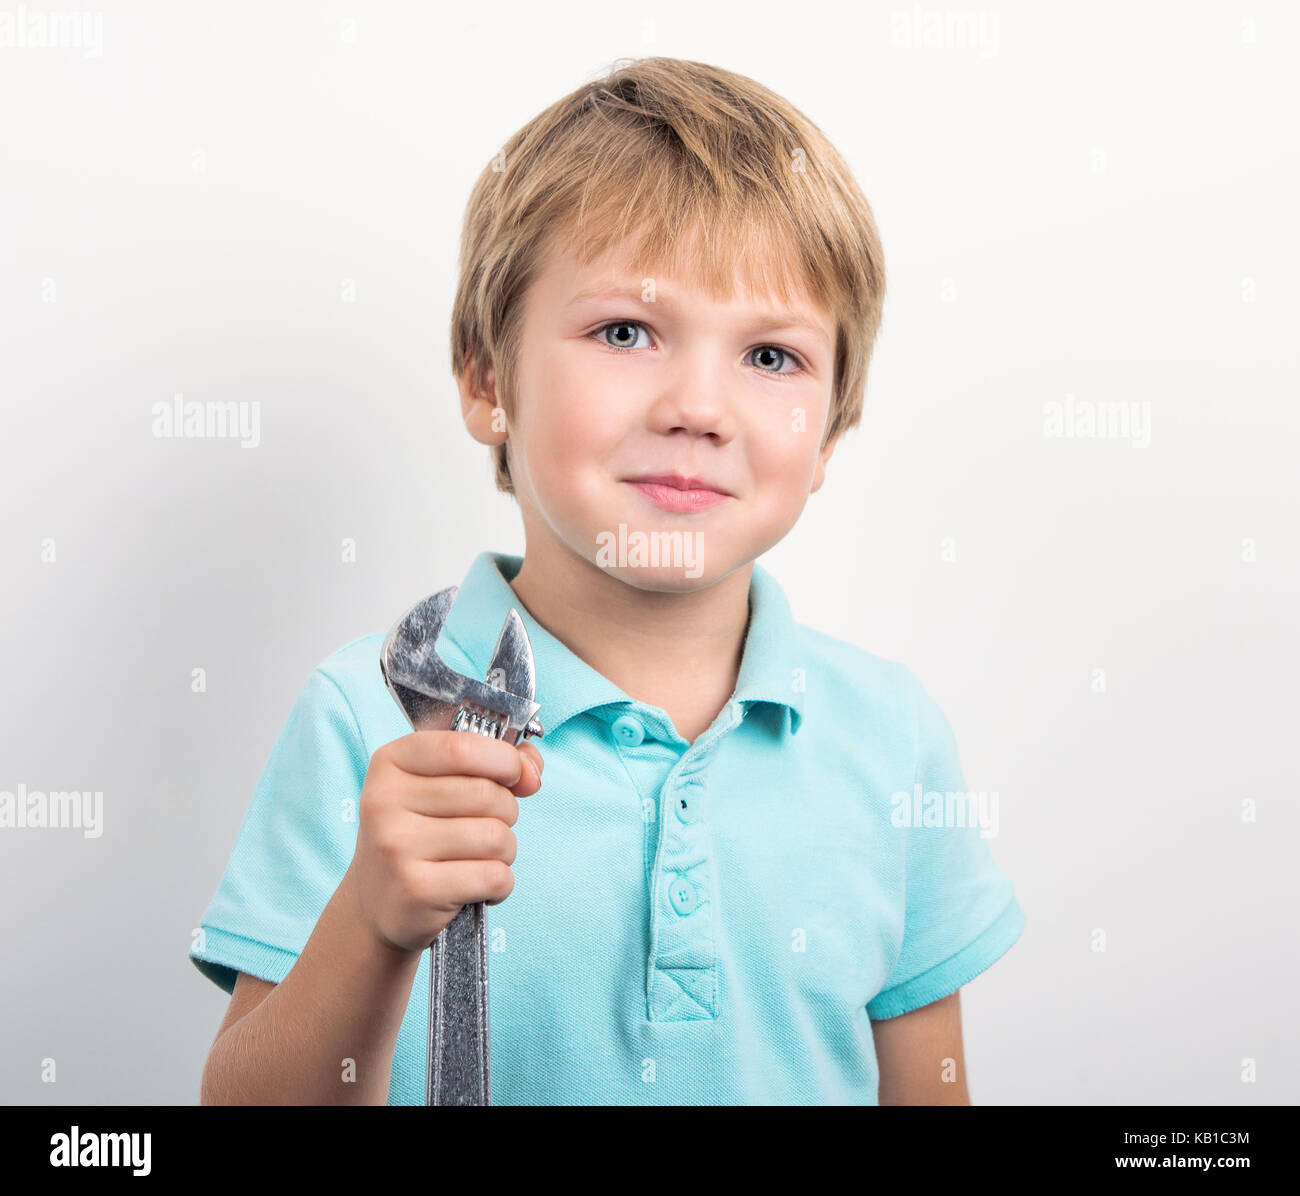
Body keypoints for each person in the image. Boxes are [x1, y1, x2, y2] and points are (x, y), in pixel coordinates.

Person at [191, 56, 1025, 1105]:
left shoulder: (891, 735)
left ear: (829, 435)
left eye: (770, 356)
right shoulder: (371, 719)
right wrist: (370, 915)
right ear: (489, 380)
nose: (698, 406)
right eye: (625, 331)